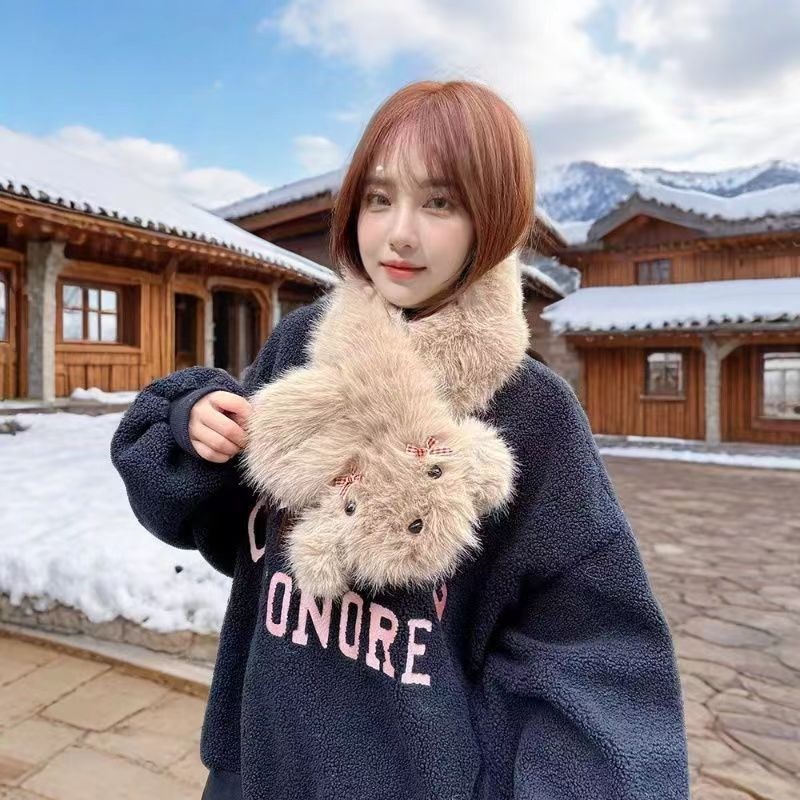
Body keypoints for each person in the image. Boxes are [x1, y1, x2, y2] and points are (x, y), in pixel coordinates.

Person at [111, 80, 690, 800]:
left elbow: (591, 649)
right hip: (257, 768)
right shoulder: (305, 344)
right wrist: (196, 426)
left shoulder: (533, 412)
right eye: (379, 198)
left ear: (493, 218)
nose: (400, 233)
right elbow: (231, 530)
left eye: (439, 202)